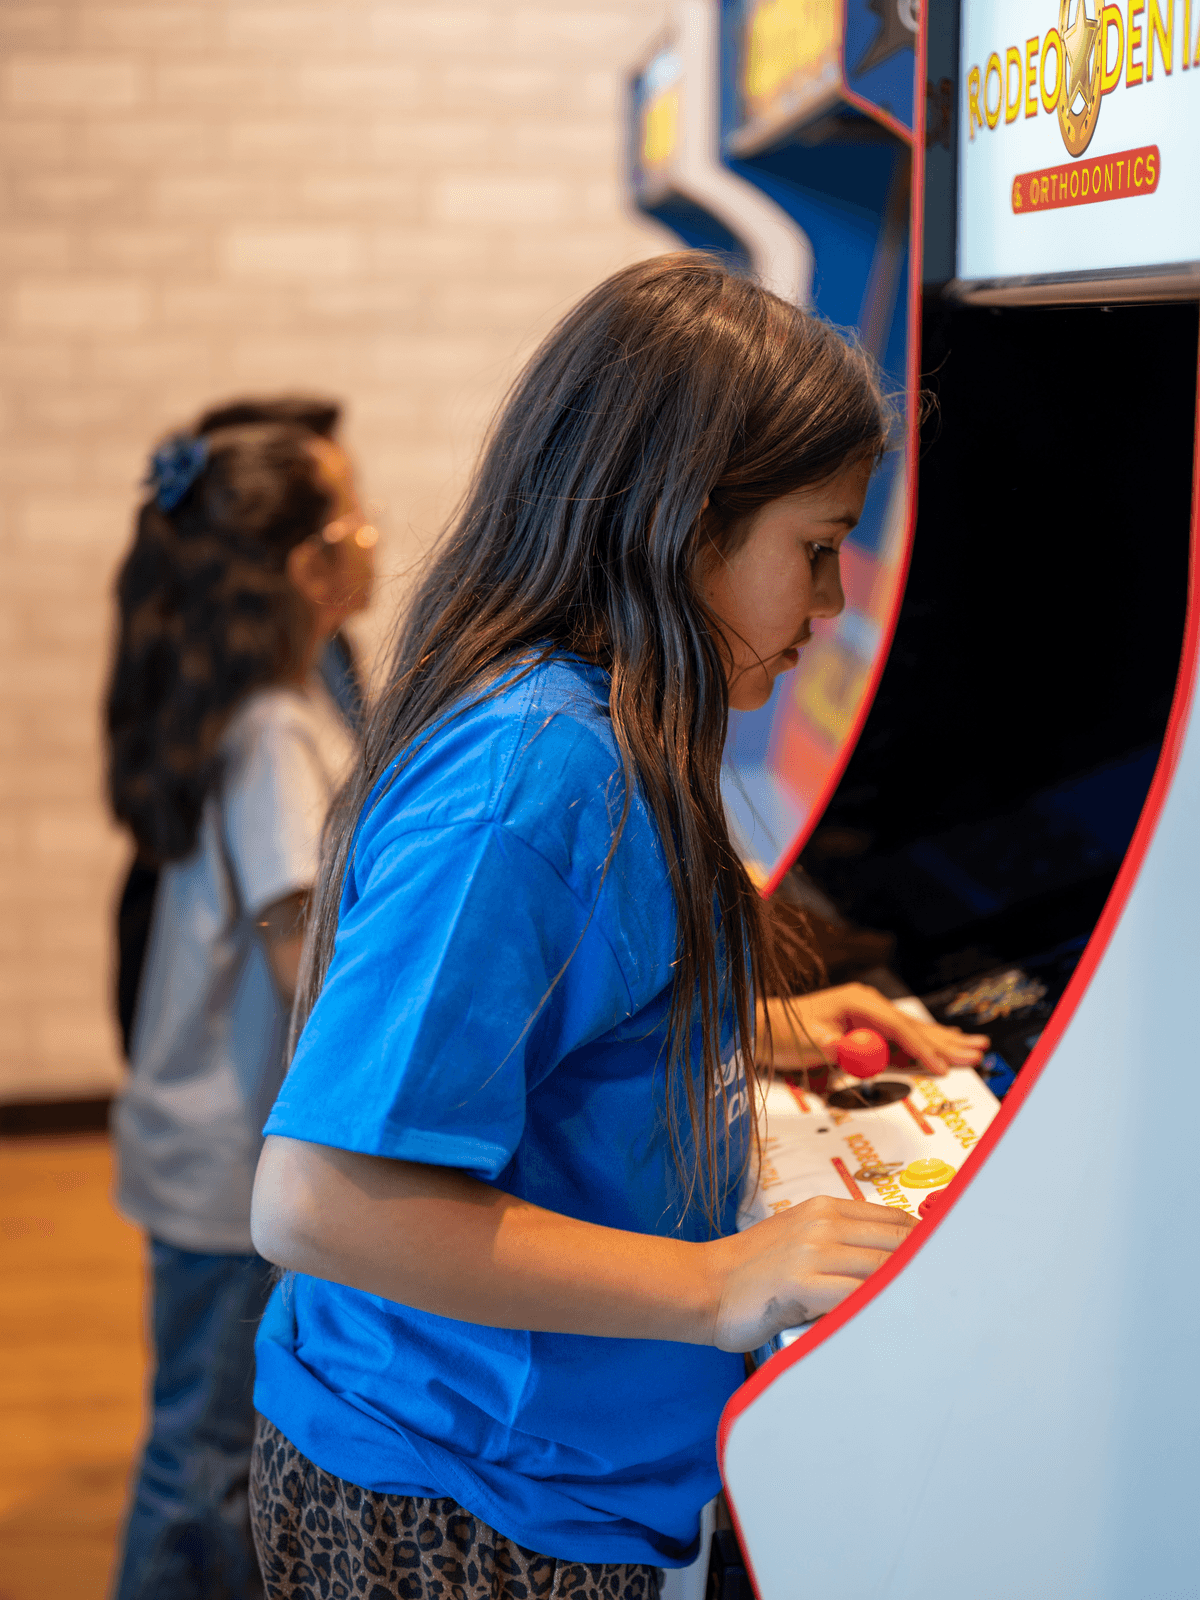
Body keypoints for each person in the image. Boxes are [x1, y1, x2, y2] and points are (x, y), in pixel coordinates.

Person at [248, 254, 986, 1600]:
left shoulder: (613, 727)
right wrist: (724, 1283)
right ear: (687, 524)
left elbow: (560, 1023)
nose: (831, 610)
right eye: (815, 551)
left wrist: (759, 1027)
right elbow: (318, 1199)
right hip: (457, 1499)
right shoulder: (534, 777)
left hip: (533, 1476)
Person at [104, 413, 376, 1599]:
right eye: (354, 518)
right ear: (310, 569)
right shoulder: (274, 733)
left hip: (201, 1155)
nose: (376, 537)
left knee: (210, 1439)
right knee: (203, 1454)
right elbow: (303, 964)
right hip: (222, 1175)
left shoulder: (276, 707)